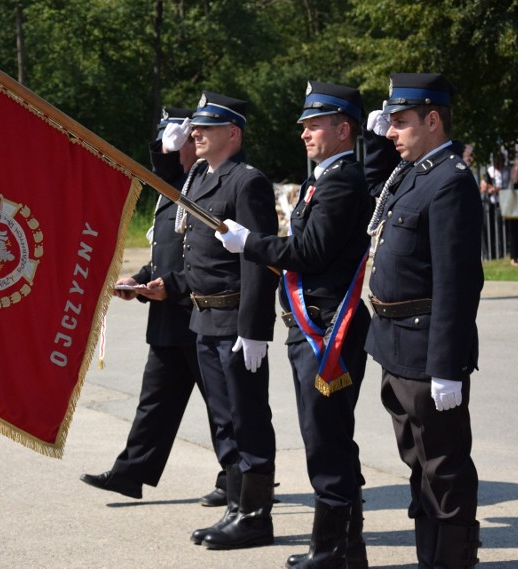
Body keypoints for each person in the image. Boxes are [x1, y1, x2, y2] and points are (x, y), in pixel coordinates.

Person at [216, 81, 372, 569]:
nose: (304, 133)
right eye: (304, 125)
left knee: (325, 439)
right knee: (330, 435)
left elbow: (309, 252)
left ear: (342, 129)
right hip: (316, 324)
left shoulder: (342, 179)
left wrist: (252, 243)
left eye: (314, 125)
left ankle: (332, 550)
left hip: (328, 327)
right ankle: (345, 548)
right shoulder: (324, 179)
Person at [364, 72, 483, 568]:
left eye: (401, 122)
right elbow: (374, 189)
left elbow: (457, 285)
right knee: (418, 465)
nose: (393, 133)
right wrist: (375, 141)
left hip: (427, 350)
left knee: (444, 466)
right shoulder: (414, 172)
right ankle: (430, 558)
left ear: (432, 120)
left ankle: (454, 561)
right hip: (395, 347)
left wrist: (446, 366)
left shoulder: (451, 181)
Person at [80, 107, 226, 504]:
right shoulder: (172, 193)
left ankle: (239, 479)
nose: (166, 151)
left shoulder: (208, 189)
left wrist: (170, 286)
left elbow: (209, 260)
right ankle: (132, 472)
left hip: (199, 311)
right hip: (167, 317)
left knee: (223, 404)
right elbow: (165, 256)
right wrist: (139, 280)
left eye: (173, 142)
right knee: (155, 402)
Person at [167, 91, 279, 550]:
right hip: (203, 318)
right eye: (196, 126)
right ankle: (236, 507)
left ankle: (254, 517)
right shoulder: (200, 178)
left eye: (206, 127)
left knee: (247, 418)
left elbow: (259, 261)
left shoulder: (246, 182)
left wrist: (254, 329)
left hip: (235, 319)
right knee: (223, 420)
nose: (197, 133)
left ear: (232, 133)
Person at [479, 152, 508, 260]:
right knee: (488, 228)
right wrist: (489, 188)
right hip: (491, 203)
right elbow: (483, 187)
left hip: (505, 202)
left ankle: (503, 251)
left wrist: (497, 189)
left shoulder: (507, 171)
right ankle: (490, 253)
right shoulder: (489, 171)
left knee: (503, 228)